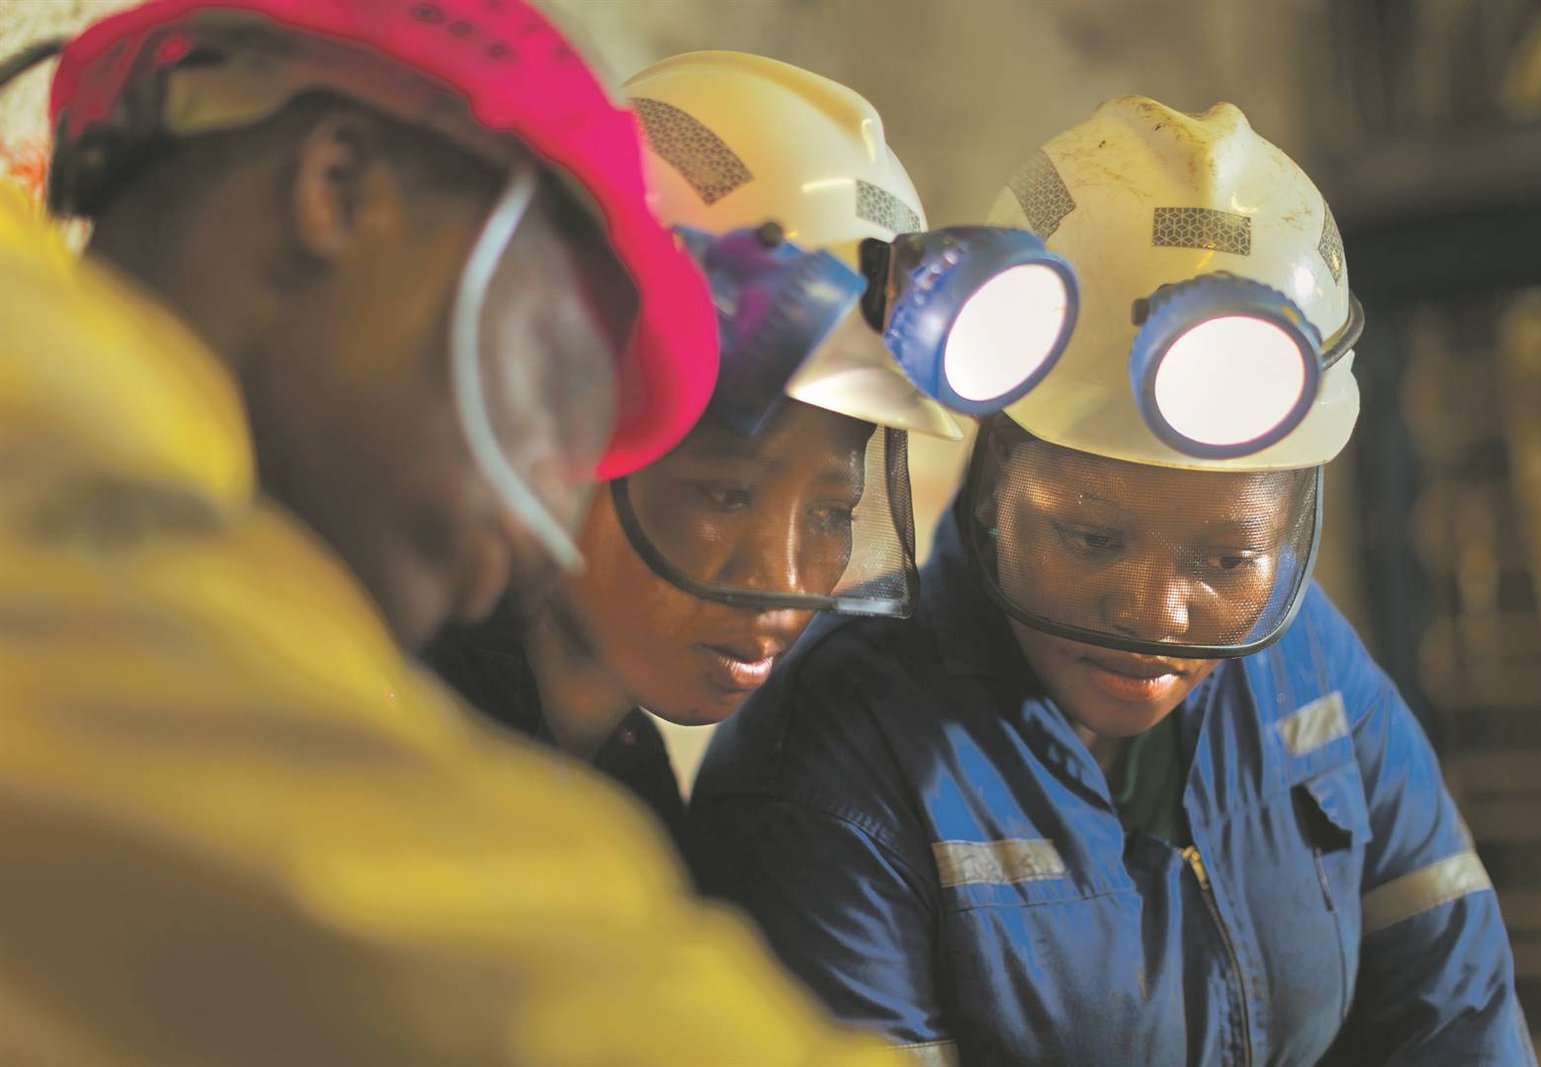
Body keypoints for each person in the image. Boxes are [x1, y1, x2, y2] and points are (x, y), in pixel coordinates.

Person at [0, 2, 906, 1063]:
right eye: (547, 366)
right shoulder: (70, 529)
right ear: (340, 187)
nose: (541, 511)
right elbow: (496, 975)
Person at [690, 96, 1536, 1066]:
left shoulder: (1307, 668)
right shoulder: (844, 757)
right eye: (1092, 537)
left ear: (1292, 516)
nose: (1156, 615)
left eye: (1227, 558)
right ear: (997, 467)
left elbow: (1460, 1019)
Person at [425, 50, 960, 839]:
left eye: (832, 511)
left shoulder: (623, 772)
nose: (779, 586)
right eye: (725, 493)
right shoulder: (397, 736)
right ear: (556, 420)